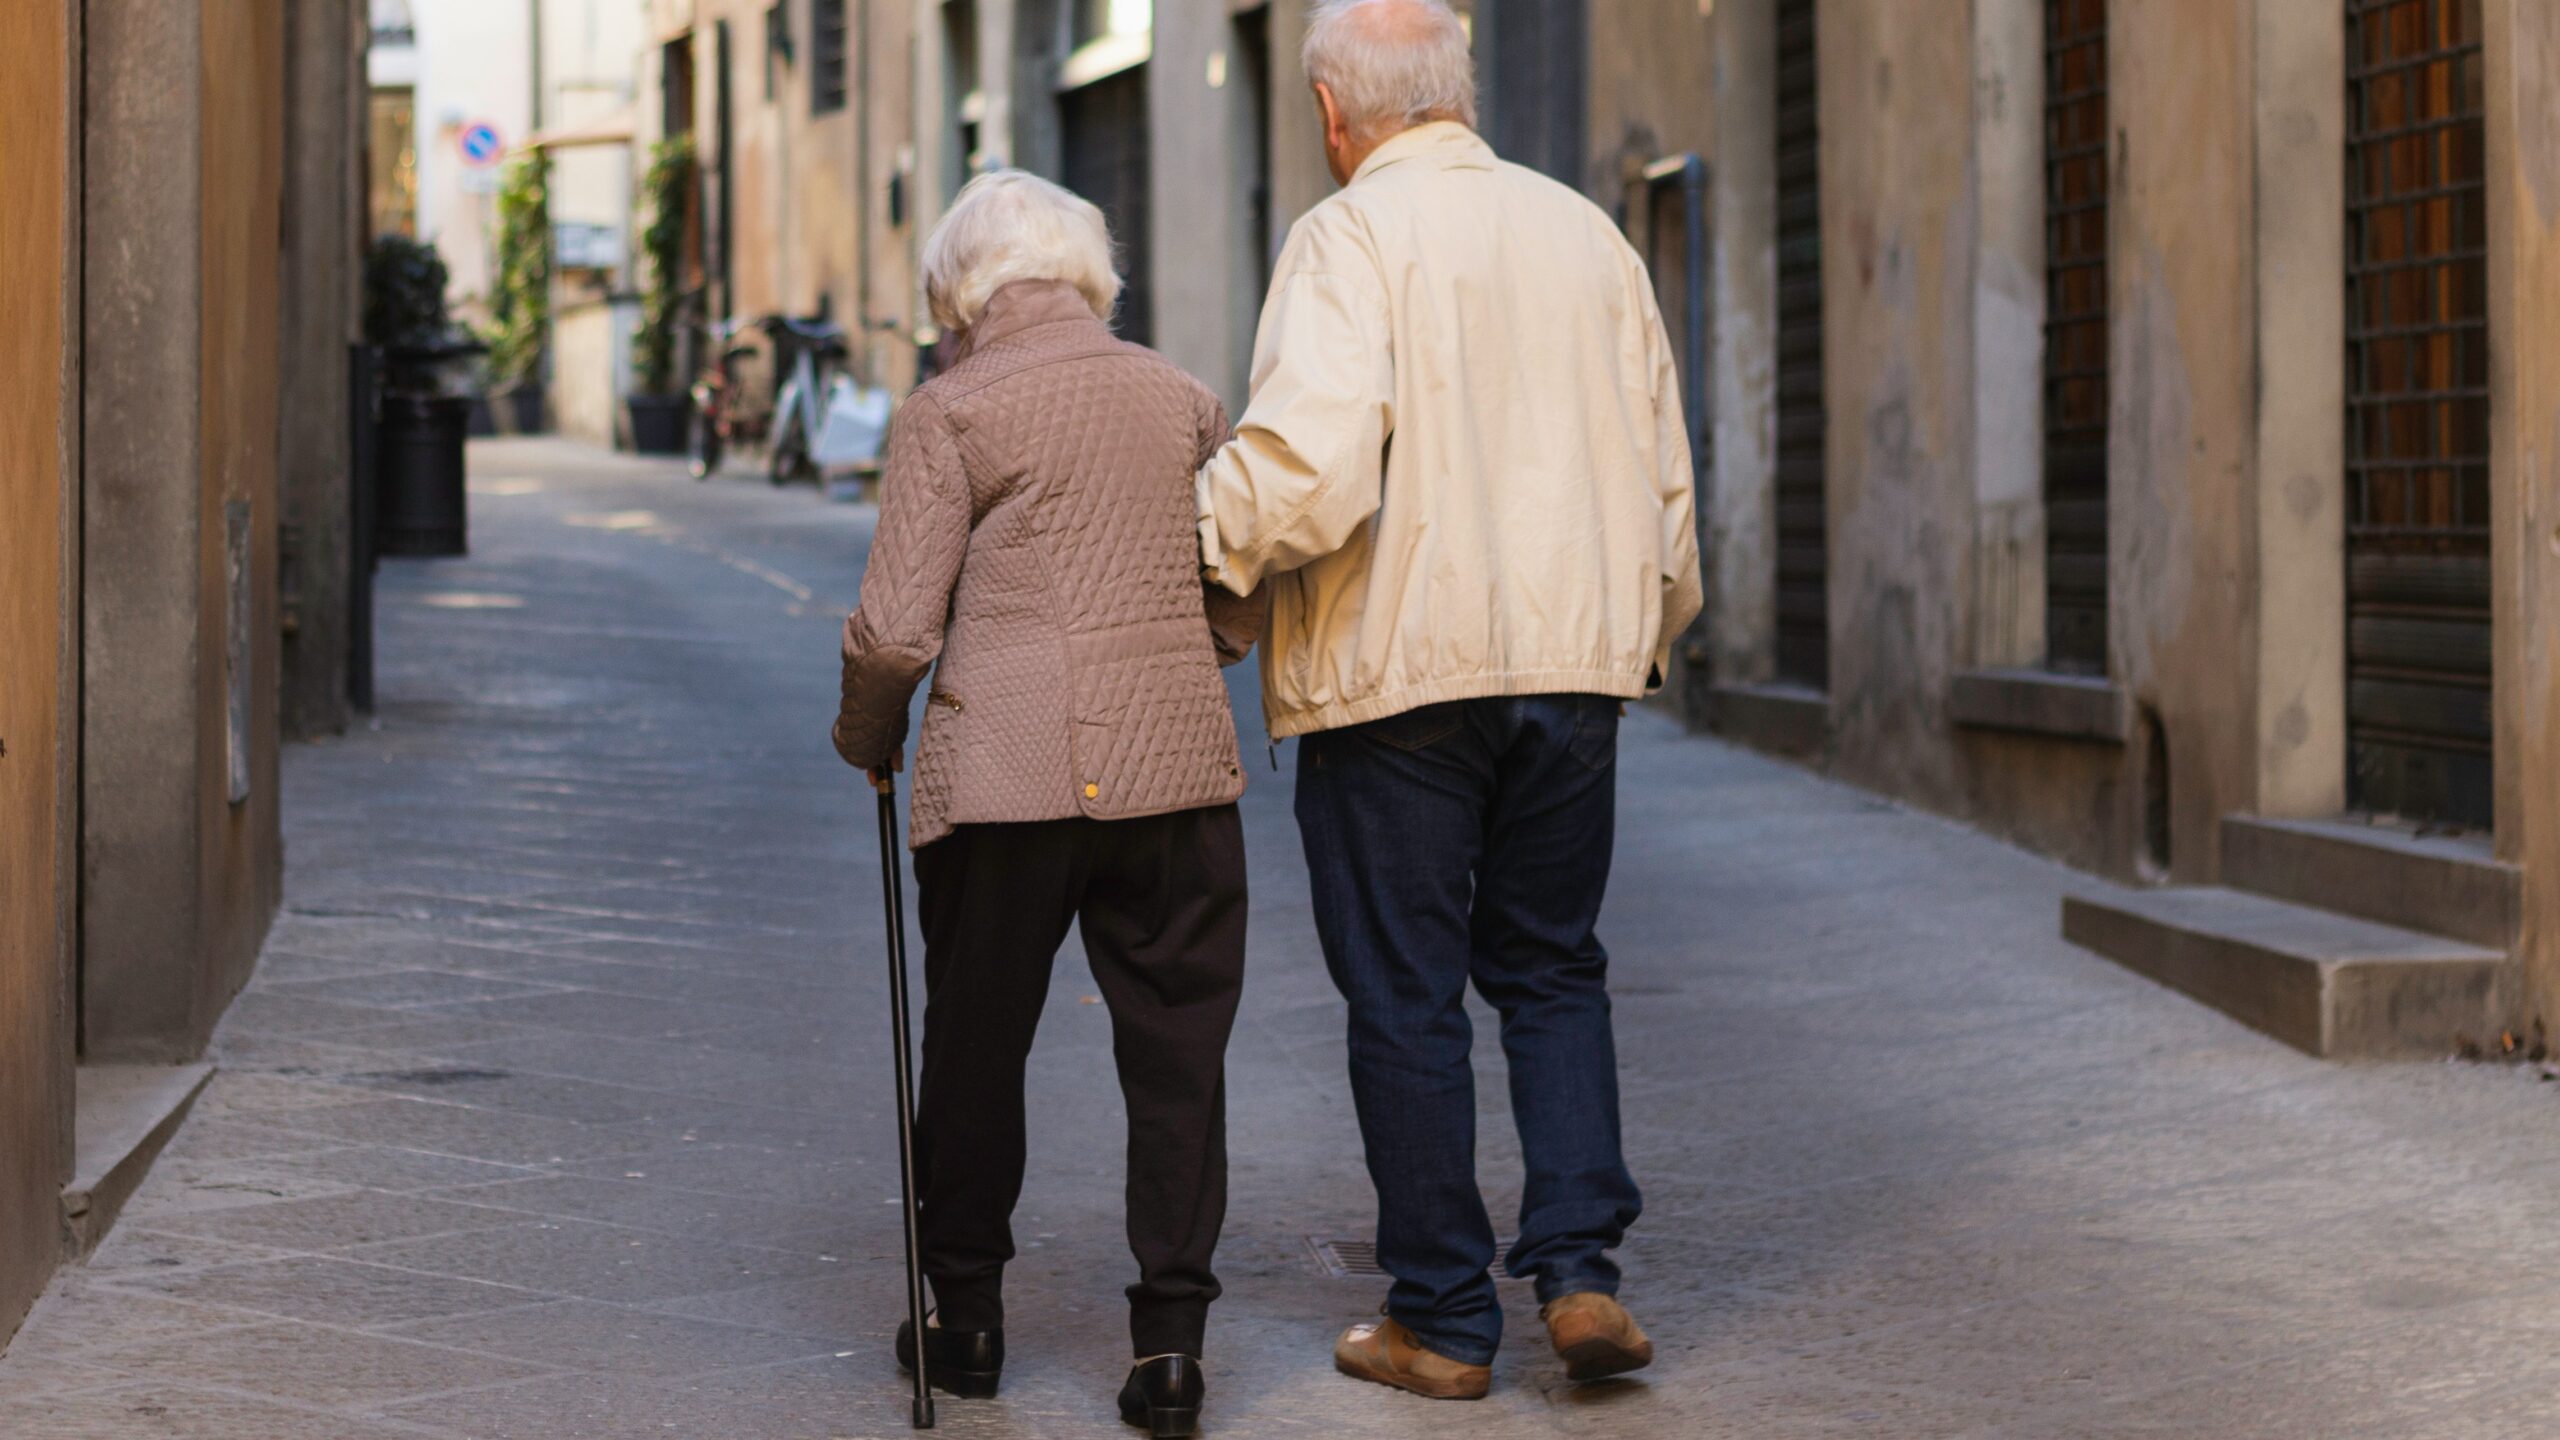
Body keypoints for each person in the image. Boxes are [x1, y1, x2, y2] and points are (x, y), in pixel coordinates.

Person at [1195, 0, 1704, 1402]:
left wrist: (1193, 545)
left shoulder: (1347, 235)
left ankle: (1442, 1321)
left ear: (1330, 112)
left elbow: (1306, 470)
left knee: (1407, 995)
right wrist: (1635, 633)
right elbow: (1667, 474)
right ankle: (1583, 1277)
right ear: (1463, 95)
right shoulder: (1585, 236)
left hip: (1396, 679)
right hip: (1573, 670)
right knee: (1551, 966)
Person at [833, 169, 1263, 1439]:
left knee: (974, 1049)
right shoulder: (1183, 398)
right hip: (1174, 778)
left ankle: (965, 1327)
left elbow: (898, 633)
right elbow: (1239, 581)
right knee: (1179, 1057)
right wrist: (1184, 656)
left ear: (958, 294)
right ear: (1090, 278)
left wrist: (866, 737)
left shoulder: (948, 411)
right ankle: (1170, 1352)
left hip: (1003, 789)